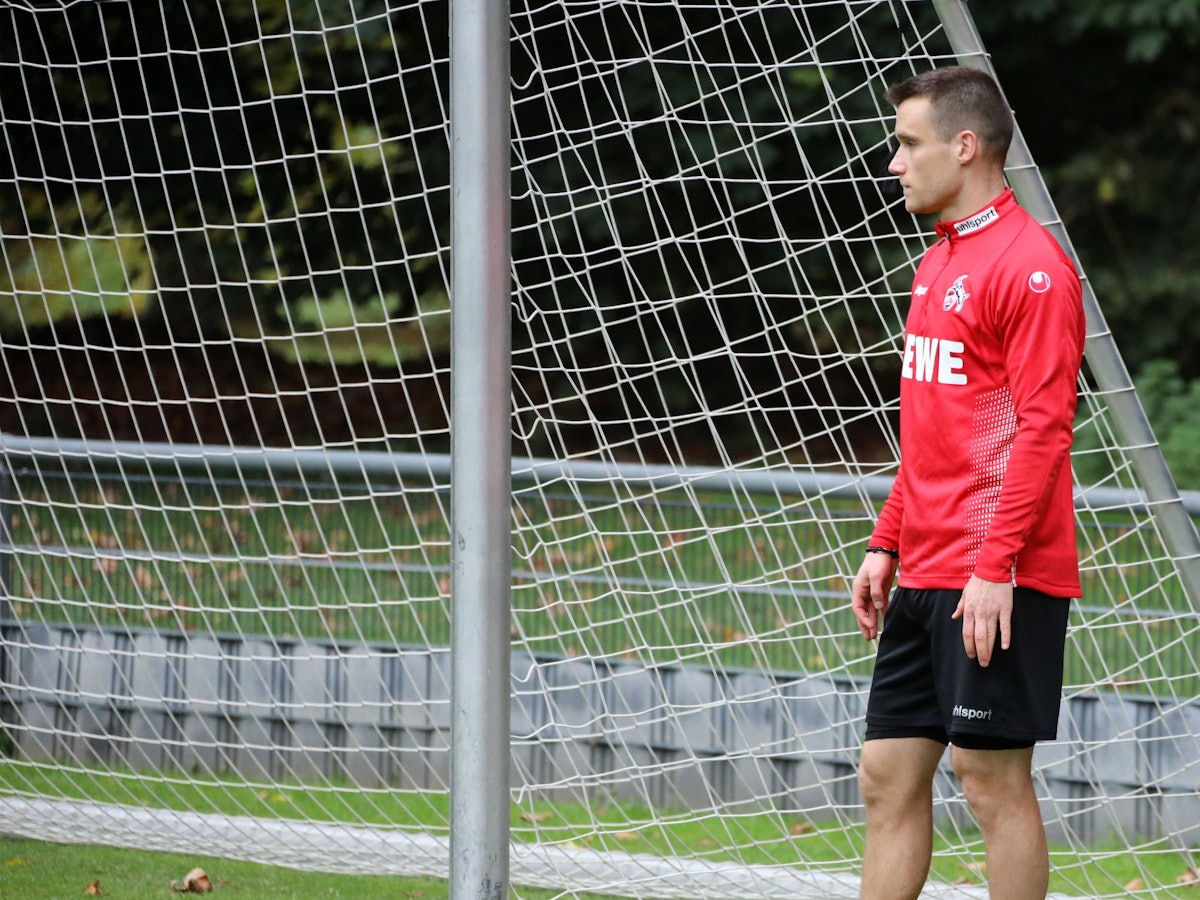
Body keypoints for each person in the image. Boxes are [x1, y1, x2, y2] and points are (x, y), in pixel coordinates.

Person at [850, 65, 1085, 900]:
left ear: (964, 145)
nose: (894, 162)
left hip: (996, 576)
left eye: (908, 144)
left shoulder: (1032, 269)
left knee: (988, 781)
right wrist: (887, 539)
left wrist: (994, 569)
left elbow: (1041, 433)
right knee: (886, 772)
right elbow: (933, 436)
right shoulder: (938, 260)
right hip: (924, 565)